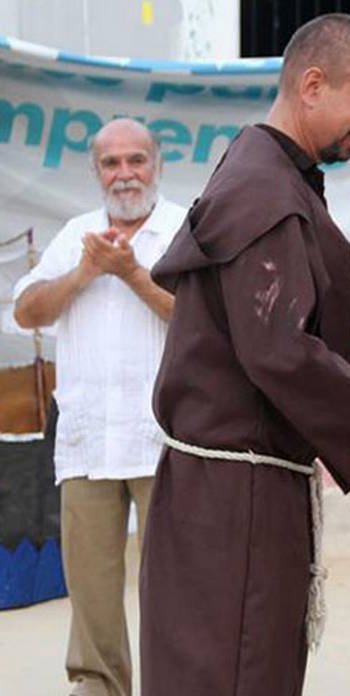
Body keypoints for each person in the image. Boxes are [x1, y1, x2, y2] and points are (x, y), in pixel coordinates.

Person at [138, 14, 350, 696]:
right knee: (235, 675)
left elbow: (267, 348)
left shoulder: (263, 173)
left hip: (226, 488)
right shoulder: (264, 190)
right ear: (314, 85)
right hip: (237, 501)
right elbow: (278, 353)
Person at [13, 118, 185, 696]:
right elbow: (28, 311)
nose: (125, 174)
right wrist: (86, 271)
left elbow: (202, 319)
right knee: (89, 588)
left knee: (176, 585)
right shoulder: (77, 235)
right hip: (88, 441)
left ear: (157, 164)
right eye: (111, 163)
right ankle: (97, 685)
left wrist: (132, 274)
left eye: (136, 160)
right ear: (96, 171)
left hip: (163, 439)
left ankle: (177, 685)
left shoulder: (183, 229)